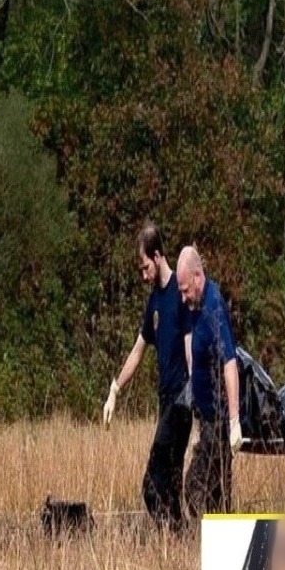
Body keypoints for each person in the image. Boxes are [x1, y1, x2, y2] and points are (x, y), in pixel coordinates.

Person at [102, 222, 191, 531]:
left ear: (157, 256)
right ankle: (178, 538)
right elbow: (138, 350)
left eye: (145, 268)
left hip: (181, 401)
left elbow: (192, 346)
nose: (143, 275)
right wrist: (115, 389)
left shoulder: (180, 293)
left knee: (152, 484)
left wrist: (196, 390)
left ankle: (172, 533)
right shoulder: (154, 301)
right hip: (164, 400)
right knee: (171, 483)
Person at [175, 245, 242, 516]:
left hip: (219, 422)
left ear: (198, 276)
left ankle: (207, 534)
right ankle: (219, 533)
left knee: (195, 487)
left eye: (185, 290)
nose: (183, 298)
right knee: (217, 498)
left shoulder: (213, 307)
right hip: (206, 421)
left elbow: (230, 362)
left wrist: (234, 422)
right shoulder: (196, 303)